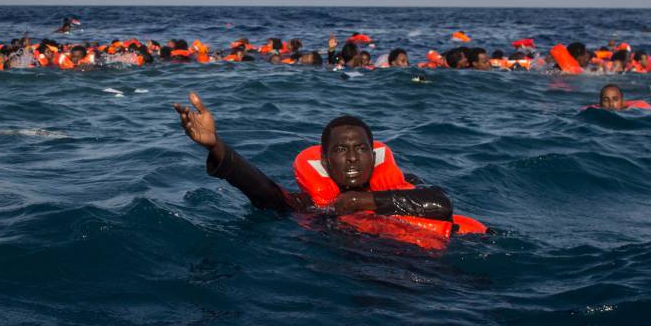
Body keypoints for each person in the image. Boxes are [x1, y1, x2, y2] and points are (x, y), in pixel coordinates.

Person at [173, 92, 455, 220]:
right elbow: (263, 191)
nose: (353, 158)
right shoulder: (312, 205)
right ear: (324, 161)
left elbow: (441, 204)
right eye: (341, 150)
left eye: (361, 149)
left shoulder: (401, 184)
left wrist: (361, 201)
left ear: (374, 154)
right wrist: (215, 146)